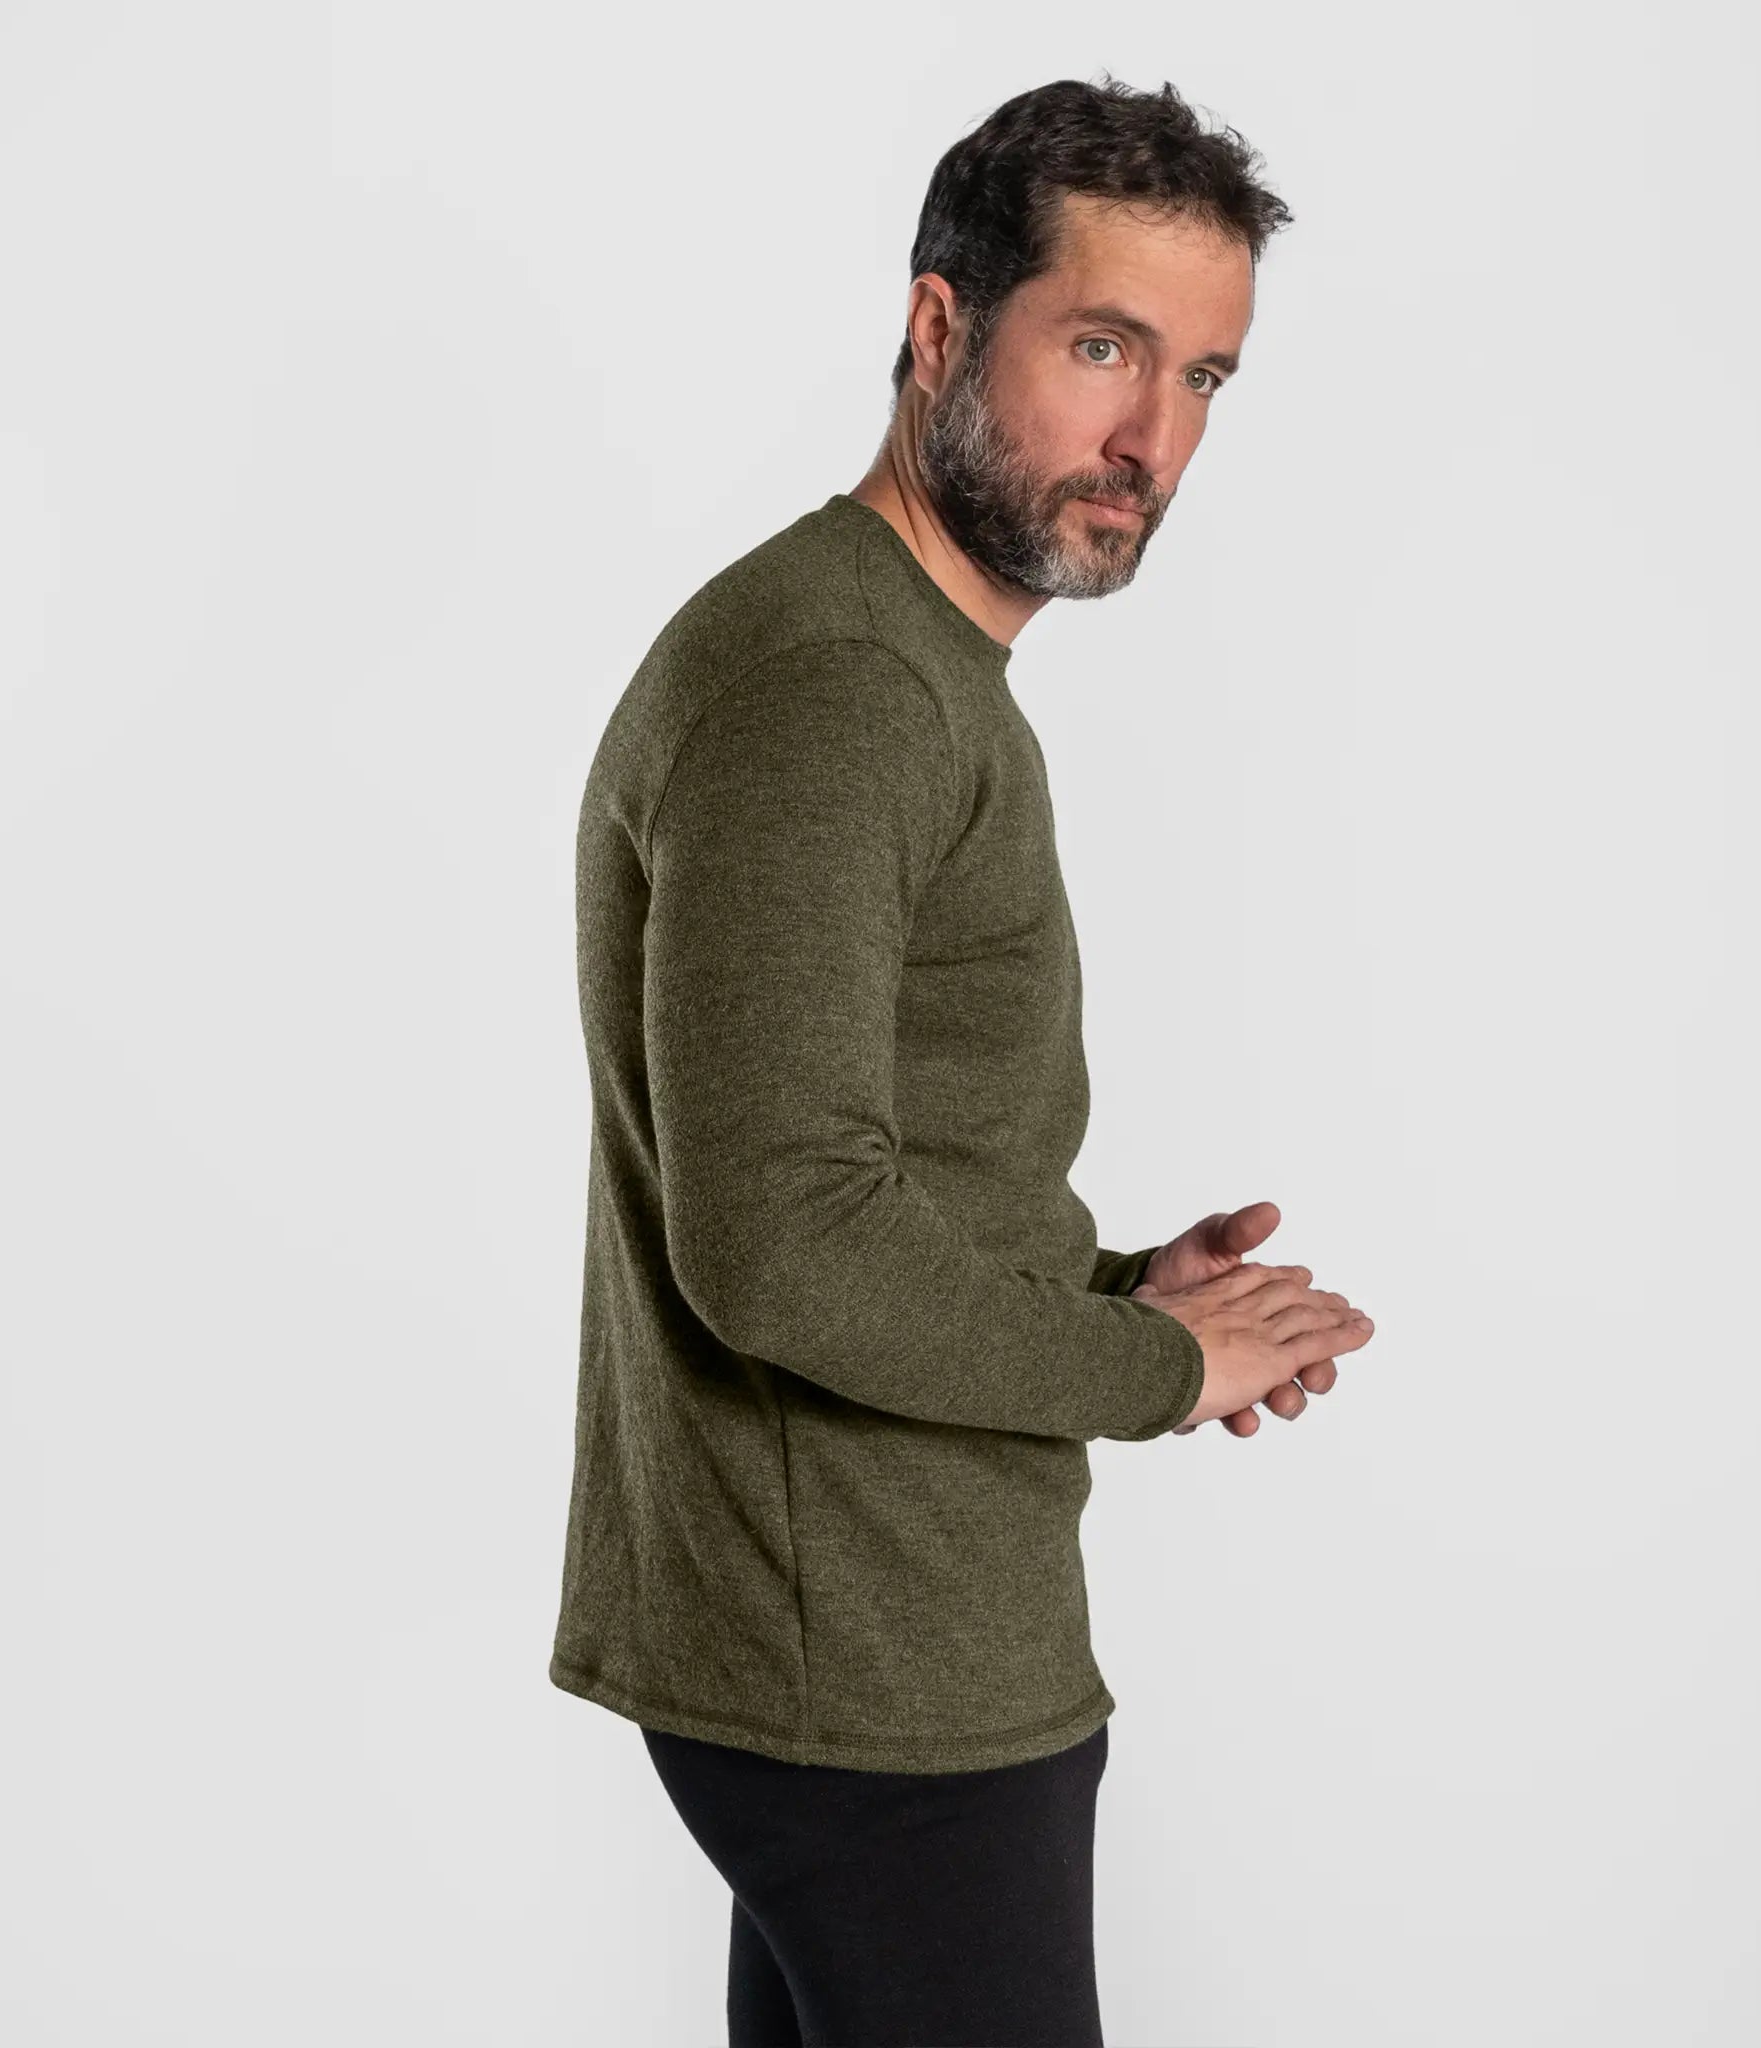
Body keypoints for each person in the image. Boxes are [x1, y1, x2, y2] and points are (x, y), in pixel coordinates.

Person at [551, 72, 1376, 2046]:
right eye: (1102, 347)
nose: (1153, 438)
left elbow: (867, 1167)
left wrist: (1111, 1289)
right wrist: (1155, 1369)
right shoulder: (838, 686)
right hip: (875, 1666)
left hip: (875, 1634)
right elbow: (784, 1241)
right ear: (941, 326)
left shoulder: (903, 665)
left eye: (1201, 376)